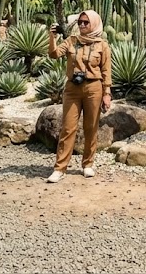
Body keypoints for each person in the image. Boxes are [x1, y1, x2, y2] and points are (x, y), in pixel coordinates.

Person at [46, 10, 112, 183]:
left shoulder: (102, 45)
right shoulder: (71, 41)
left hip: (93, 88)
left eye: (86, 22)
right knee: (68, 127)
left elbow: (106, 71)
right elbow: (54, 55)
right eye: (80, 22)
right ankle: (60, 168)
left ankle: (88, 164)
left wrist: (107, 93)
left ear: (95, 24)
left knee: (91, 127)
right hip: (72, 88)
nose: (82, 25)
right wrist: (52, 37)